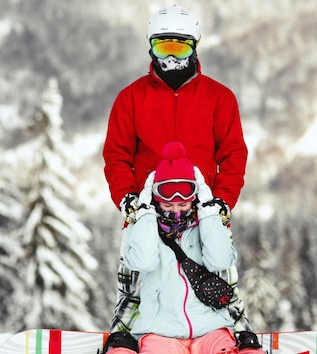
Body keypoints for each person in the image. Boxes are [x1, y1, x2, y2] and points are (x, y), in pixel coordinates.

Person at [102, 4, 250, 336]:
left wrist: (222, 201)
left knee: (217, 277)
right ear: (150, 48)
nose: (171, 56)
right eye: (162, 46)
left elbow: (233, 155)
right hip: (148, 211)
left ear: (194, 47)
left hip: (203, 210)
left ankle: (235, 340)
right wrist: (129, 200)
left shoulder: (219, 98)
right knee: (139, 285)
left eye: (179, 46)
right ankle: (125, 343)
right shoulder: (131, 99)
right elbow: (116, 156)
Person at [97, 142, 270, 354]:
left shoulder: (208, 224)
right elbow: (141, 261)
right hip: (161, 333)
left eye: (185, 197)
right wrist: (143, 212)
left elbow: (220, 260)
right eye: (167, 199)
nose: (176, 208)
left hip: (209, 331)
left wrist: (210, 210)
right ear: (155, 196)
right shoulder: (144, 226)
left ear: (195, 194)